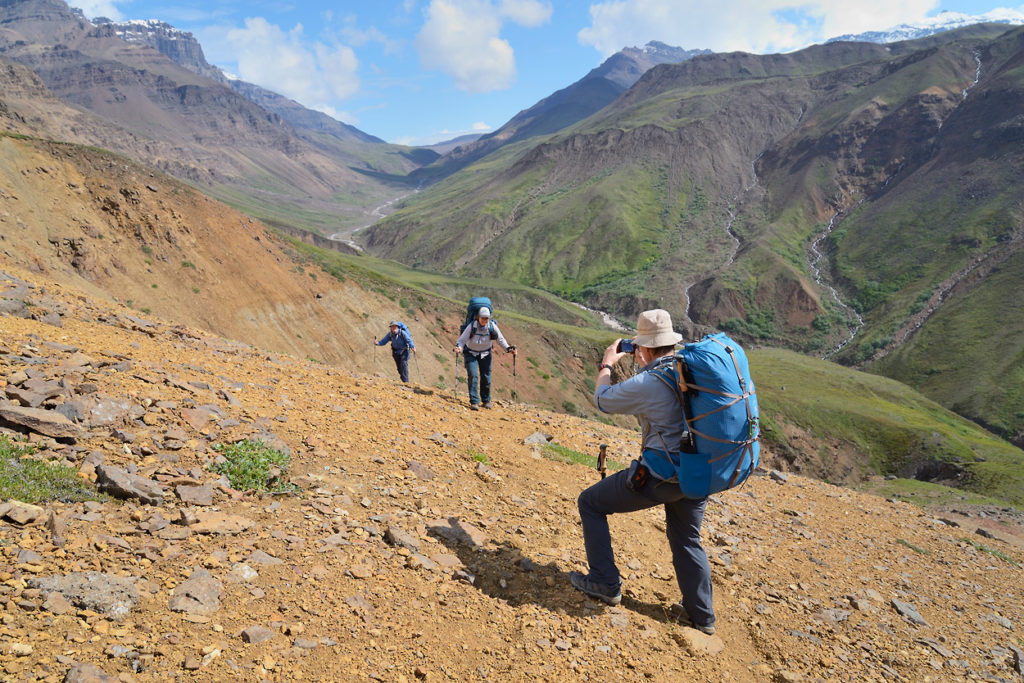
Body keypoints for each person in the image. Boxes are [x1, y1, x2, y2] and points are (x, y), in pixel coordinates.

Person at [569, 308, 716, 635]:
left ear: (645, 349)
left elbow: (603, 400)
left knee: (590, 503)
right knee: (686, 537)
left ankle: (605, 582)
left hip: (661, 476)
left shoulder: (650, 381)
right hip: (699, 473)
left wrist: (608, 362)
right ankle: (702, 617)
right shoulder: (690, 368)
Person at [452, 307, 516, 410]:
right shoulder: (472, 326)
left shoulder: (492, 326)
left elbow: (500, 339)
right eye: (483, 318)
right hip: (471, 353)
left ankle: (486, 401)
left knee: (486, 378)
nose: (485, 320)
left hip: (486, 354)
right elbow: (462, 340)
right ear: (478, 317)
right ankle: (474, 402)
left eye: (487, 318)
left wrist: (508, 349)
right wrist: (459, 348)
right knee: (473, 375)